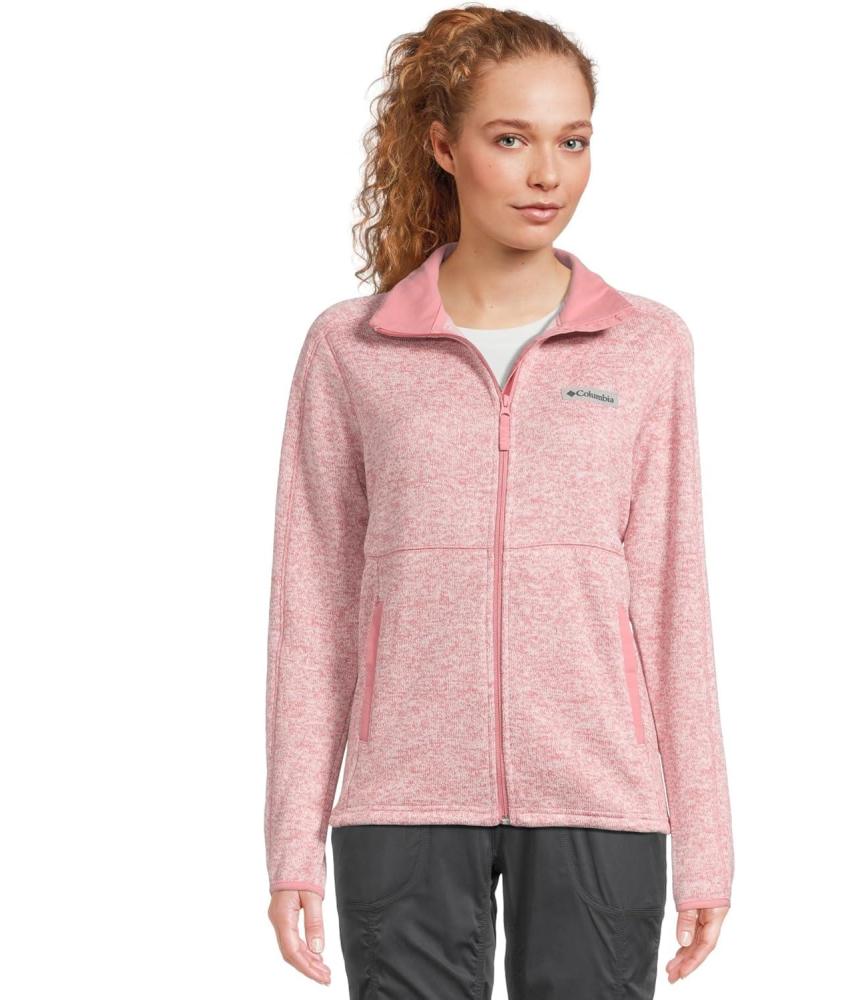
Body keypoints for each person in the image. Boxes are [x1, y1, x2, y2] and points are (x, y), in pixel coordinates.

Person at [264, 6, 734, 996]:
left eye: (573, 141)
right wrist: (291, 839)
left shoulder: (646, 346)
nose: (547, 174)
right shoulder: (351, 349)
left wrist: (706, 842)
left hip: (600, 793)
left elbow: (672, 597)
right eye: (511, 139)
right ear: (444, 147)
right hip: (402, 796)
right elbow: (312, 611)